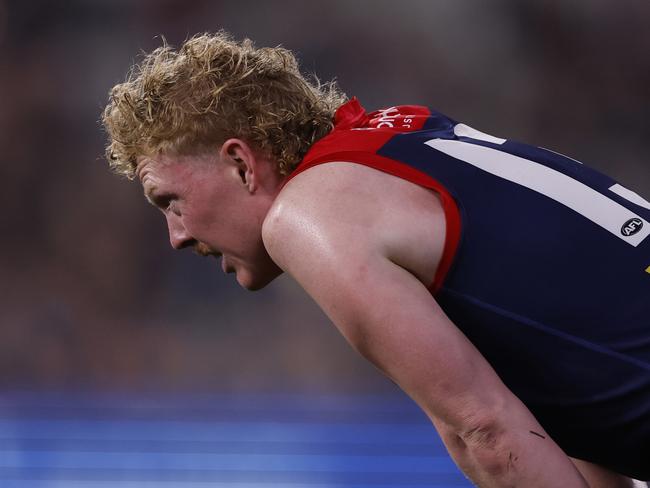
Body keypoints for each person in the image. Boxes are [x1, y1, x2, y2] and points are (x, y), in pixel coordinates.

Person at [101, 32, 650, 487]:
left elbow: (482, 432)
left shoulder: (310, 212)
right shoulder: (396, 140)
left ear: (242, 165)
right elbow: (579, 390)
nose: (176, 236)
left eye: (170, 201)